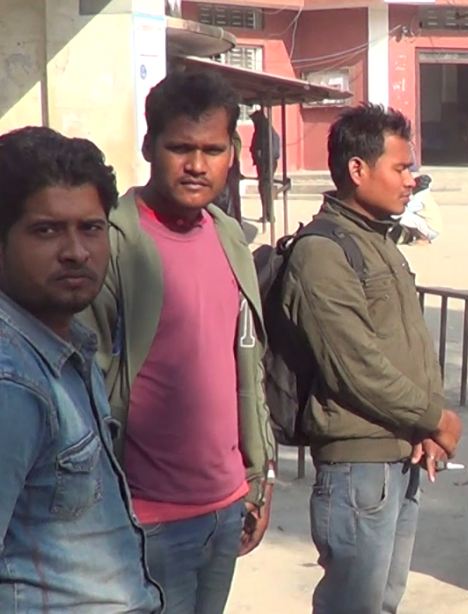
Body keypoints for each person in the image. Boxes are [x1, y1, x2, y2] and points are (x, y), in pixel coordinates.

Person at [79, 71, 276, 614]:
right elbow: (85, 382)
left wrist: (258, 475)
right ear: (149, 147)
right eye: (180, 148)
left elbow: (247, 367)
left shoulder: (230, 236)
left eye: (212, 150)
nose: (196, 165)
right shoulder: (111, 242)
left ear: (233, 153)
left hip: (227, 507)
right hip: (144, 517)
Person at [278, 103, 463, 614]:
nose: (411, 180)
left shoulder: (376, 241)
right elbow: (354, 366)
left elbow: (406, 345)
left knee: (383, 603)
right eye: (400, 168)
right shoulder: (323, 251)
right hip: (359, 470)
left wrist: (424, 425)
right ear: (358, 169)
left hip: (401, 452)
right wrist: (436, 417)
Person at [0, 126, 163, 614]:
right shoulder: (12, 382)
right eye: (46, 230)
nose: (76, 251)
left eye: (91, 228)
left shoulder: (67, 344)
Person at [250, 108, 281, 224]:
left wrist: (261, 157)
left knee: (265, 189)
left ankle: (269, 214)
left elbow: (265, 148)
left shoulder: (264, 131)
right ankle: (267, 214)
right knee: (265, 188)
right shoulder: (265, 129)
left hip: (266, 163)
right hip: (266, 163)